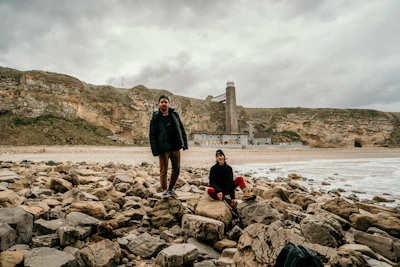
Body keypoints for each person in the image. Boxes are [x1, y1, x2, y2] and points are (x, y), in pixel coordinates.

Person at [150, 95, 188, 199]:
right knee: (164, 171)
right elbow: (152, 135)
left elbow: (181, 129)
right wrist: (155, 150)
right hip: (163, 149)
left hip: (176, 147)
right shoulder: (156, 117)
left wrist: (184, 143)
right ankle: (164, 190)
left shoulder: (174, 115)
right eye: (162, 102)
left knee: (177, 169)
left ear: (168, 104)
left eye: (165, 102)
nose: (164, 104)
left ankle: (171, 188)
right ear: (159, 104)